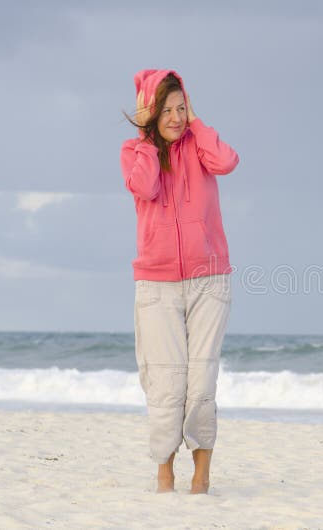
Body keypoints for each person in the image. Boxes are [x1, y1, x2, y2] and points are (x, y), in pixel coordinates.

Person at [120, 69, 240, 494]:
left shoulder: (200, 147)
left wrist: (197, 122)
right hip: (156, 284)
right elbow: (144, 187)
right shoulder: (135, 151)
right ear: (150, 113)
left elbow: (227, 161)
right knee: (167, 383)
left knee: (201, 381)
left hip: (209, 279)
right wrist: (149, 142)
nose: (175, 117)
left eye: (180, 108)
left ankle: (202, 478)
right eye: (166, 109)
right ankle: (165, 474)